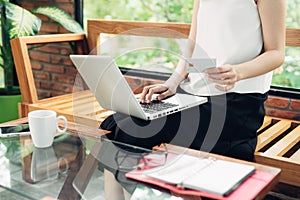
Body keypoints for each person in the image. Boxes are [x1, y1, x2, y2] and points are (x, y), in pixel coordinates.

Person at [101, 0, 286, 162]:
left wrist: (238, 72)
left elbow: (276, 53)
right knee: (116, 123)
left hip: (237, 102)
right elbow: (193, 43)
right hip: (196, 94)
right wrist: (172, 82)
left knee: (133, 128)